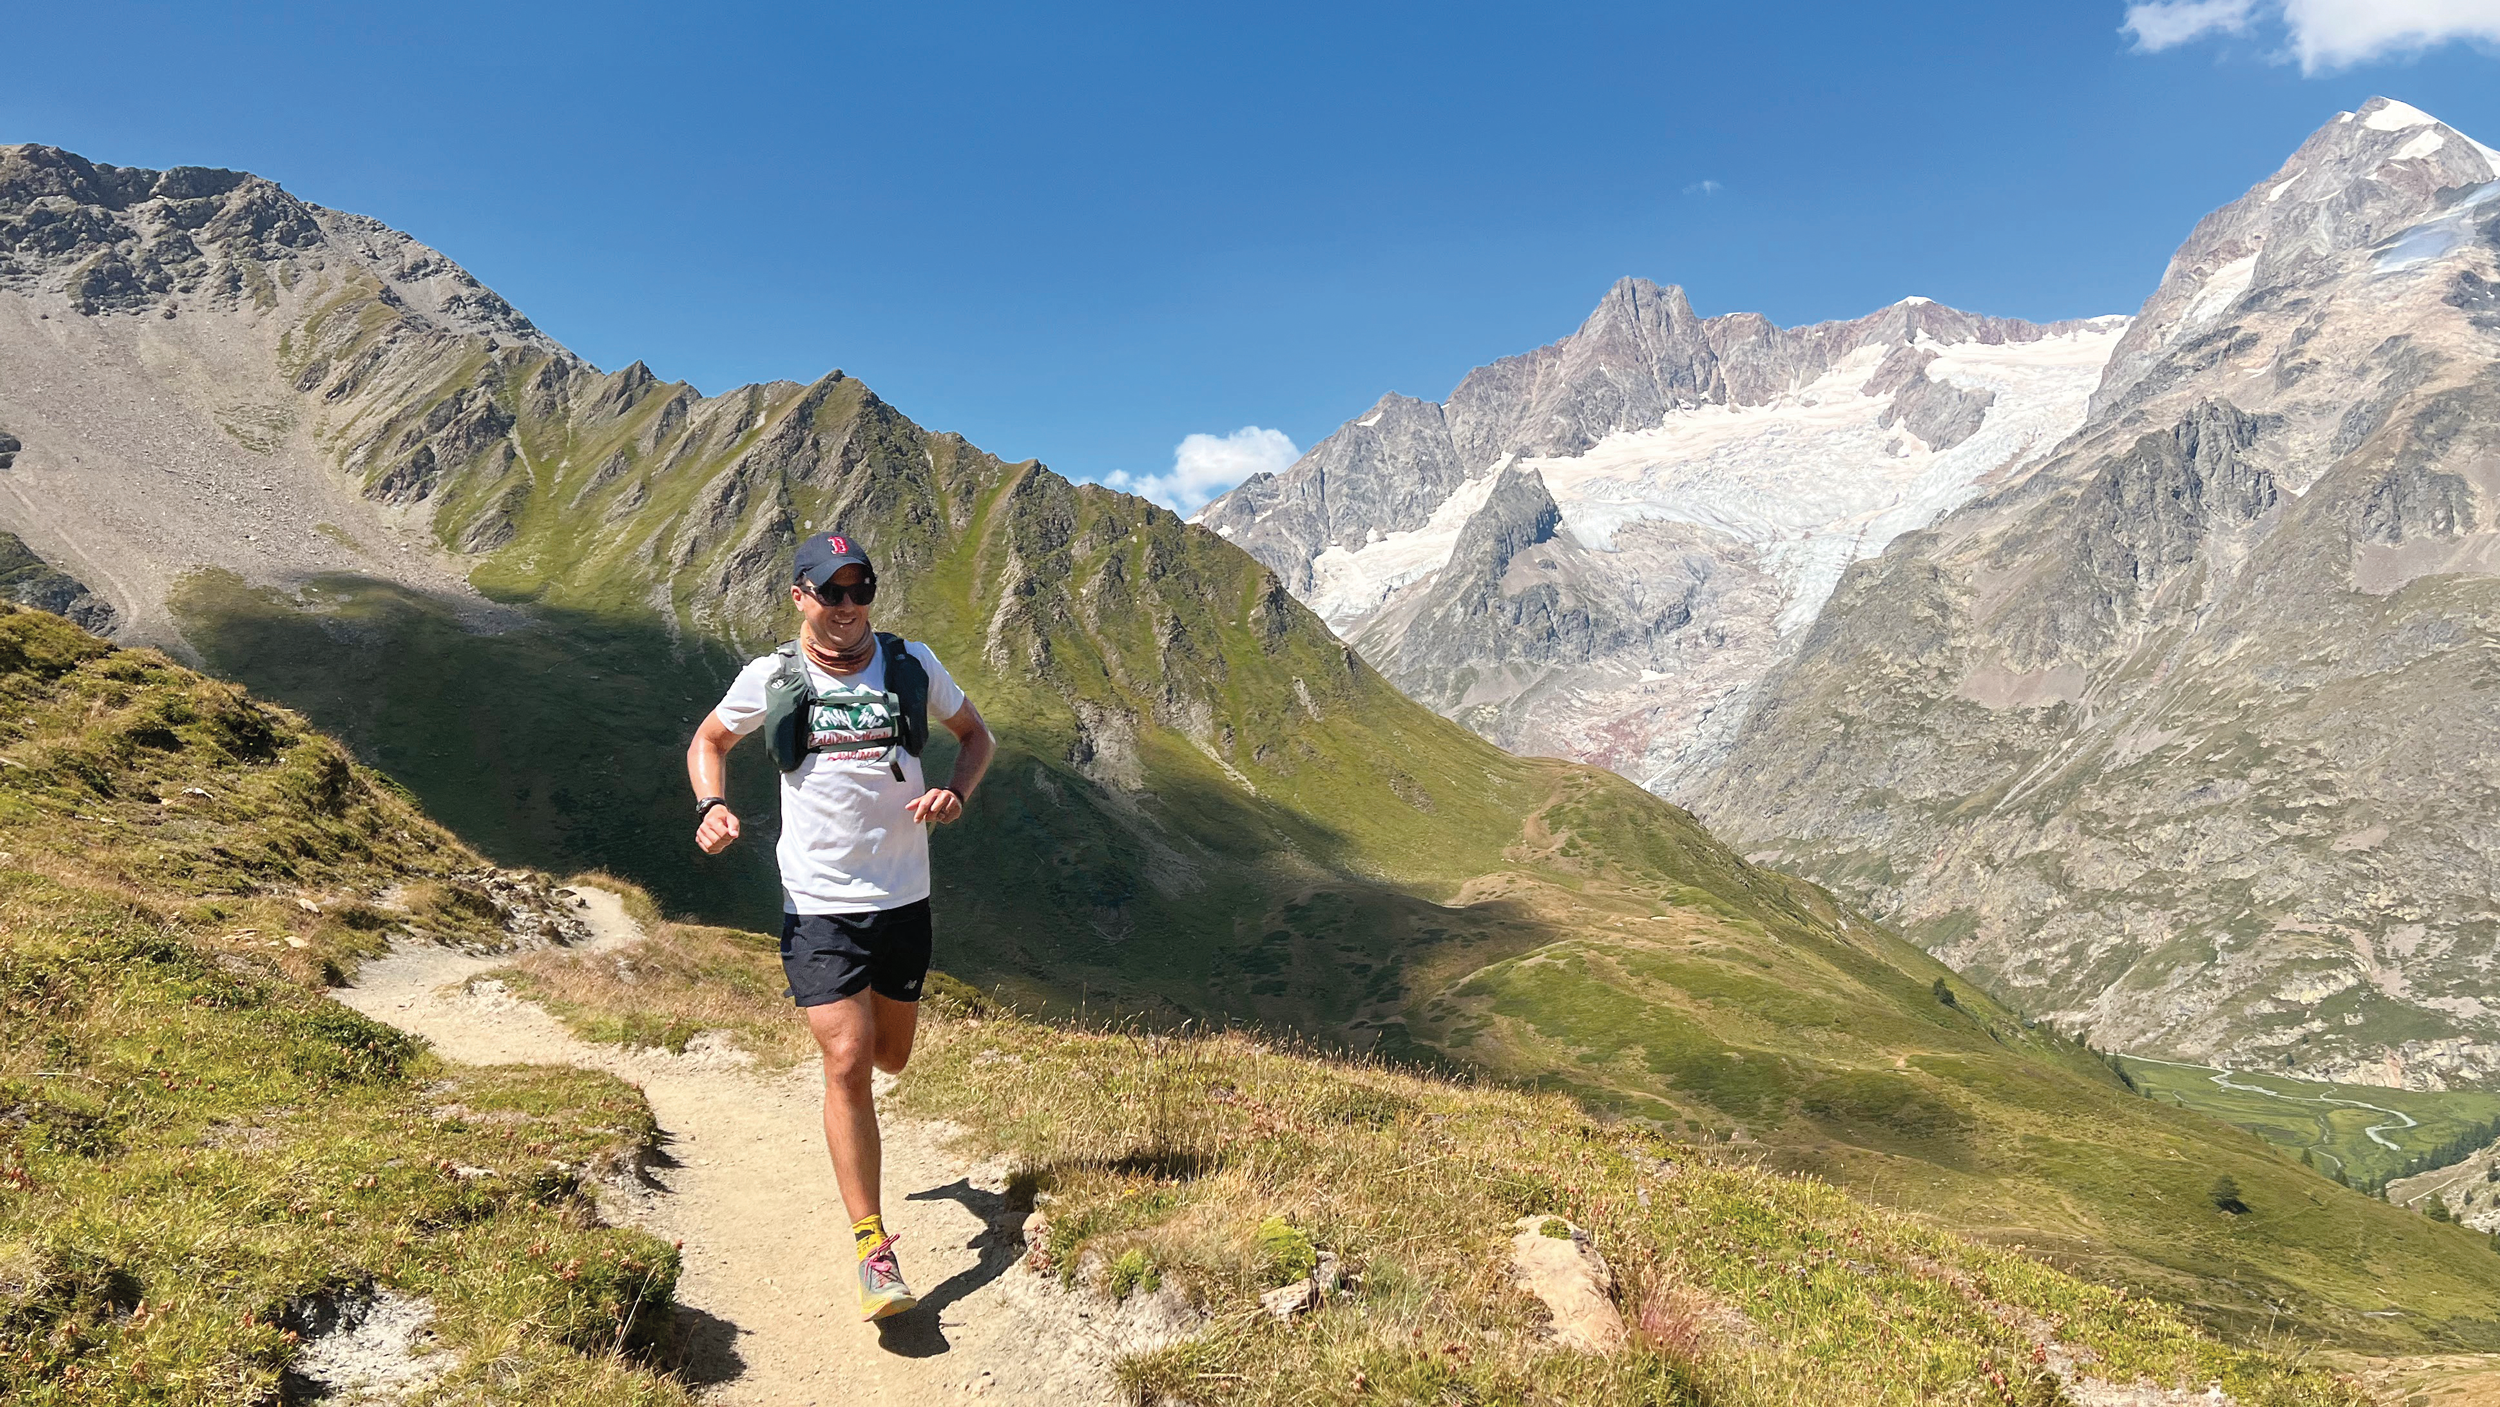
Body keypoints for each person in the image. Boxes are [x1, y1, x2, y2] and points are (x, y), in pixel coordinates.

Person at [684, 530, 995, 1322]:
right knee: (849, 1058)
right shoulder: (773, 676)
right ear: (800, 596)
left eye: (861, 589)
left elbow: (976, 737)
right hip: (818, 898)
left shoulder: (910, 662)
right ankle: (873, 1247)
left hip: (904, 895)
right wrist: (711, 804)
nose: (849, 605)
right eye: (832, 590)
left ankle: (889, 1174)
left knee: (891, 1055)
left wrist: (956, 793)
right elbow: (710, 739)